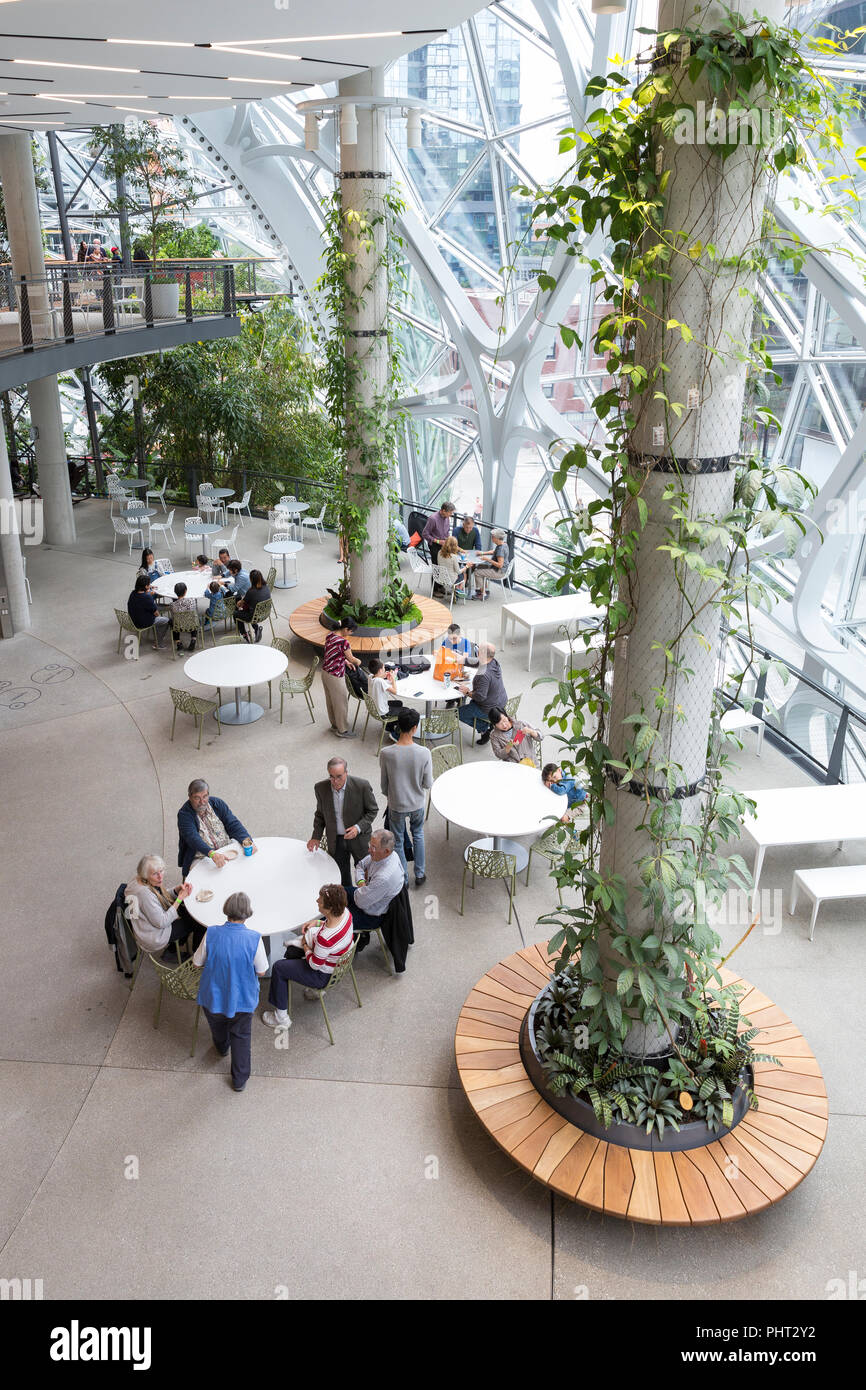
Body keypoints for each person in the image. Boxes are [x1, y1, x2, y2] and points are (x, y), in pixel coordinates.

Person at [193, 892, 269, 1093]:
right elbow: (261, 970)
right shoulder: (254, 938)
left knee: (217, 1026)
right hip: (242, 999)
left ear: (226, 910)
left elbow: (197, 962)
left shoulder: (211, 933)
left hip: (212, 996)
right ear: (248, 913)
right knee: (242, 1036)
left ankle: (221, 1047)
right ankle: (239, 1080)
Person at [261, 883, 353, 1031]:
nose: (317, 901)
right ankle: (299, 988)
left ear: (329, 908)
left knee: (279, 967)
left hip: (322, 975)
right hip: (337, 964)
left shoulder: (325, 938)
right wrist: (316, 923)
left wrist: (305, 945)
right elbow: (328, 924)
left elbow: (315, 964)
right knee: (291, 951)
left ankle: (281, 1018)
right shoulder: (346, 914)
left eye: (320, 900)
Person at [379, 708, 433, 887]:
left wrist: (392, 795)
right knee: (418, 834)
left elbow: (384, 784)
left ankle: (404, 878)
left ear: (398, 726)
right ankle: (420, 873)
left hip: (397, 804)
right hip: (417, 803)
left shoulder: (386, 753)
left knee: (399, 841)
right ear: (415, 728)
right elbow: (427, 783)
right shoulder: (424, 752)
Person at [307, 757, 378, 889]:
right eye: (331, 777)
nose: (335, 781)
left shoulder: (362, 786)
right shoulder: (320, 788)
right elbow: (320, 815)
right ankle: (346, 900)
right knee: (340, 874)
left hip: (359, 838)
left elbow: (372, 810)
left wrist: (358, 828)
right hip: (336, 839)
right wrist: (316, 836)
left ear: (346, 772)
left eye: (339, 776)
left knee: (365, 873)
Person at [124, 854, 202, 960]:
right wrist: (179, 899)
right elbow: (162, 922)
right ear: (146, 875)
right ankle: (197, 956)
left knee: (187, 912)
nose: (160, 877)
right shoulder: (144, 894)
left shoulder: (141, 880)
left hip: (148, 924)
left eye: (161, 871)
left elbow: (158, 897)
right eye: (155, 874)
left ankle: (176, 947)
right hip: (154, 935)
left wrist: (176, 890)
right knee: (196, 921)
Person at [177, 778, 256, 876]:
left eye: (205, 796)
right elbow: (193, 839)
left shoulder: (217, 803)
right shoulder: (184, 815)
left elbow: (233, 824)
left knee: (246, 865)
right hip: (202, 856)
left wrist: (247, 841)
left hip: (226, 847)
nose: (202, 802)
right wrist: (212, 854)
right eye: (197, 798)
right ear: (190, 797)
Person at [345, 829, 404, 949]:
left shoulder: (384, 877)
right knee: (335, 892)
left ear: (386, 851)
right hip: (365, 894)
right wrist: (362, 884)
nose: (369, 850)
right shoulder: (382, 855)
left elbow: (360, 903)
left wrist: (362, 890)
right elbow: (360, 865)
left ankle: (359, 938)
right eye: (370, 845)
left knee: (330, 920)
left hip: (370, 914)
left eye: (373, 847)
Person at [457, 641, 507, 745]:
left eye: (478, 649)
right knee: (471, 704)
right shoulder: (493, 662)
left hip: (488, 708)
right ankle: (487, 723)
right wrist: (462, 660)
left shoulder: (484, 675)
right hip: (500, 701)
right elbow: (478, 661)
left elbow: (480, 697)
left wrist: (467, 692)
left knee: (458, 713)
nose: (476, 650)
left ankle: (485, 728)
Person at [321, 616, 361, 737]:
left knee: (331, 701)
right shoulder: (344, 642)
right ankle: (342, 730)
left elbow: (331, 653)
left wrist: (344, 661)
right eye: (350, 631)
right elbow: (352, 659)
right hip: (335, 676)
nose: (350, 634)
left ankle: (334, 725)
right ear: (346, 629)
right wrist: (358, 662)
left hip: (325, 673)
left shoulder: (330, 635)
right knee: (341, 703)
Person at [127, 574, 169, 647]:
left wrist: (149, 593)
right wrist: (150, 596)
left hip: (133, 620)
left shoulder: (133, 593)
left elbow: (143, 601)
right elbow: (156, 614)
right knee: (166, 620)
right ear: (146, 586)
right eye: (149, 584)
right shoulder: (147, 597)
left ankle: (156, 635)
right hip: (143, 623)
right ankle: (159, 643)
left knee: (158, 607)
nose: (150, 585)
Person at [234, 568, 270, 642]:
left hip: (254, 616)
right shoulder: (266, 587)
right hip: (265, 613)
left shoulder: (251, 591)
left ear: (251, 580)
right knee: (249, 609)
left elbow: (240, 605)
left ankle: (244, 634)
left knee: (236, 614)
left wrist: (237, 603)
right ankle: (256, 629)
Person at [472, 528, 509, 600]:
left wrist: (487, 559)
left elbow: (500, 565)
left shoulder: (500, 550)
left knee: (477, 572)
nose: (491, 538)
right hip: (503, 570)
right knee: (479, 566)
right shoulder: (504, 544)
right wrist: (482, 553)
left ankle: (483, 594)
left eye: (493, 536)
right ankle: (484, 589)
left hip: (499, 572)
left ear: (497, 538)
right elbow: (493, 551)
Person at [422, 500, 456, 567]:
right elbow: (424, 534)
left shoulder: (447, 517)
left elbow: (447, 532)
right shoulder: (433, 519)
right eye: (450, 513)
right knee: (436, 567)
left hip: (445, 545)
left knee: (446, 566)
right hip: (435, 546)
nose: (451, 515)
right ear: (443, 511)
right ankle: (434, 578)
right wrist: (438, 541)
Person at [368, 658, 402, 722]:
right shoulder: (380, 682)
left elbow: (377, 678)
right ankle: (392, 726)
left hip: (375, 709)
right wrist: (393, 679)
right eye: (384, 667)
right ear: (380, 670)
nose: (385, 669)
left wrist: (384, 675)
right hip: (383, 713)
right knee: (406, 711)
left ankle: (390, 725)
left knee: (399, 703)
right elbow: (395, 691)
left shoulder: (370, 677)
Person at [170, 580, 198, 651]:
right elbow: (195, 611)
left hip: (179, 626)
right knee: (194, 619)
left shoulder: (173, 605)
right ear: (186, 591)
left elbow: (173, 616)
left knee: (172, 621)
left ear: (175, 592)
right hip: (191, 625)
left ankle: (178, 643)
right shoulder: (192, 601)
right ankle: (193, 639)